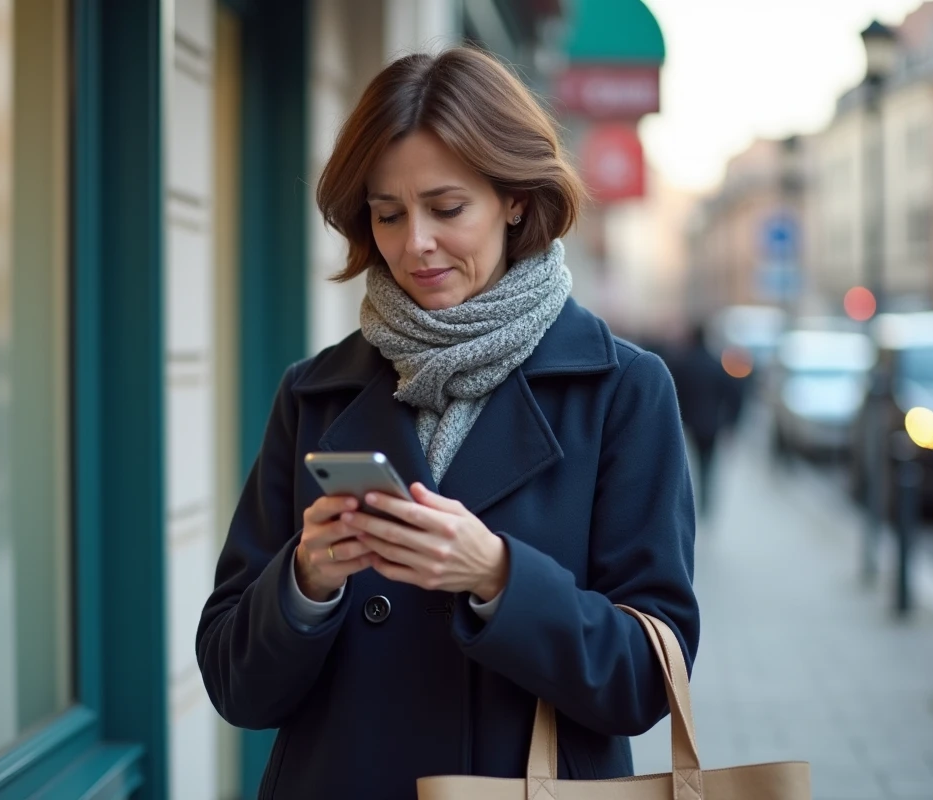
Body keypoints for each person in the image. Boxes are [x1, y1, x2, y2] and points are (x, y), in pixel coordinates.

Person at [196, 47, 699, 799]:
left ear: (516, 200)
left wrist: (497, 576)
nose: (414, 244)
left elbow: (645, 681)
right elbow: (236, 687)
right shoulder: (316, 393)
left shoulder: (622, 390)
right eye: (388, 214)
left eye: (447, 207)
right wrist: (306, 581)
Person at [666, 322, 745, 518]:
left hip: (687, 423)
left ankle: (692, 503)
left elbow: (673, 394)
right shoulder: (716, 364)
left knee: (688, 466)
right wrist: (731, 422)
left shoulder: (683, 363)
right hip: (712, 424)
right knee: (708, 465)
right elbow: (733, 394)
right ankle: (706, 503)